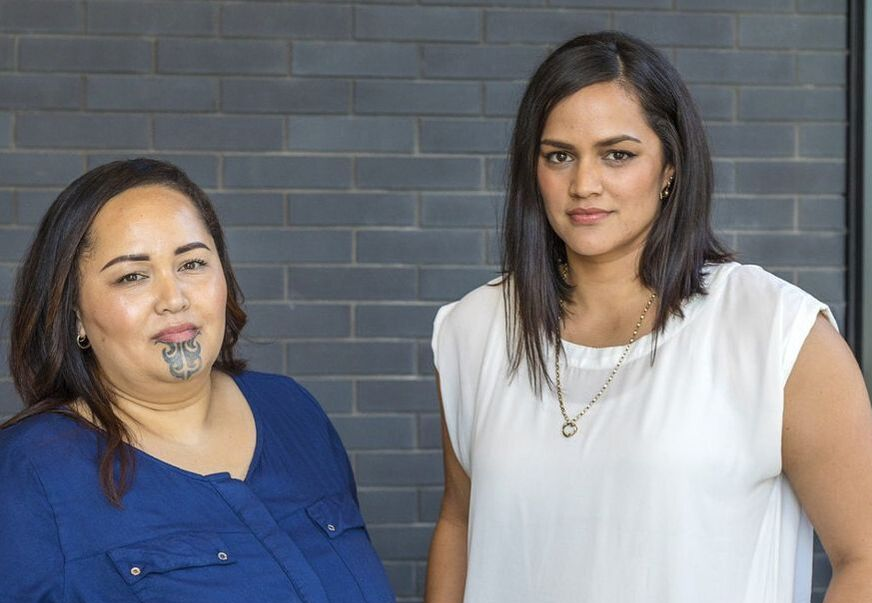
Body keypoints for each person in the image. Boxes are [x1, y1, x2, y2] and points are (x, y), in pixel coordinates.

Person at [425, 31, 872, 603]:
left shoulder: (776, 332)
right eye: (559, 156)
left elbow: (863, 556)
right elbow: (460, 522)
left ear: (670, 167)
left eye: (618, 154)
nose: (584, 185)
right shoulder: (473, 330)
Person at [0, 159, 395, 603]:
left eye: (191, 264)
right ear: (74, 314)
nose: (174, 299)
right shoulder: (26, 474)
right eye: (133, 276)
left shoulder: (292, 410)